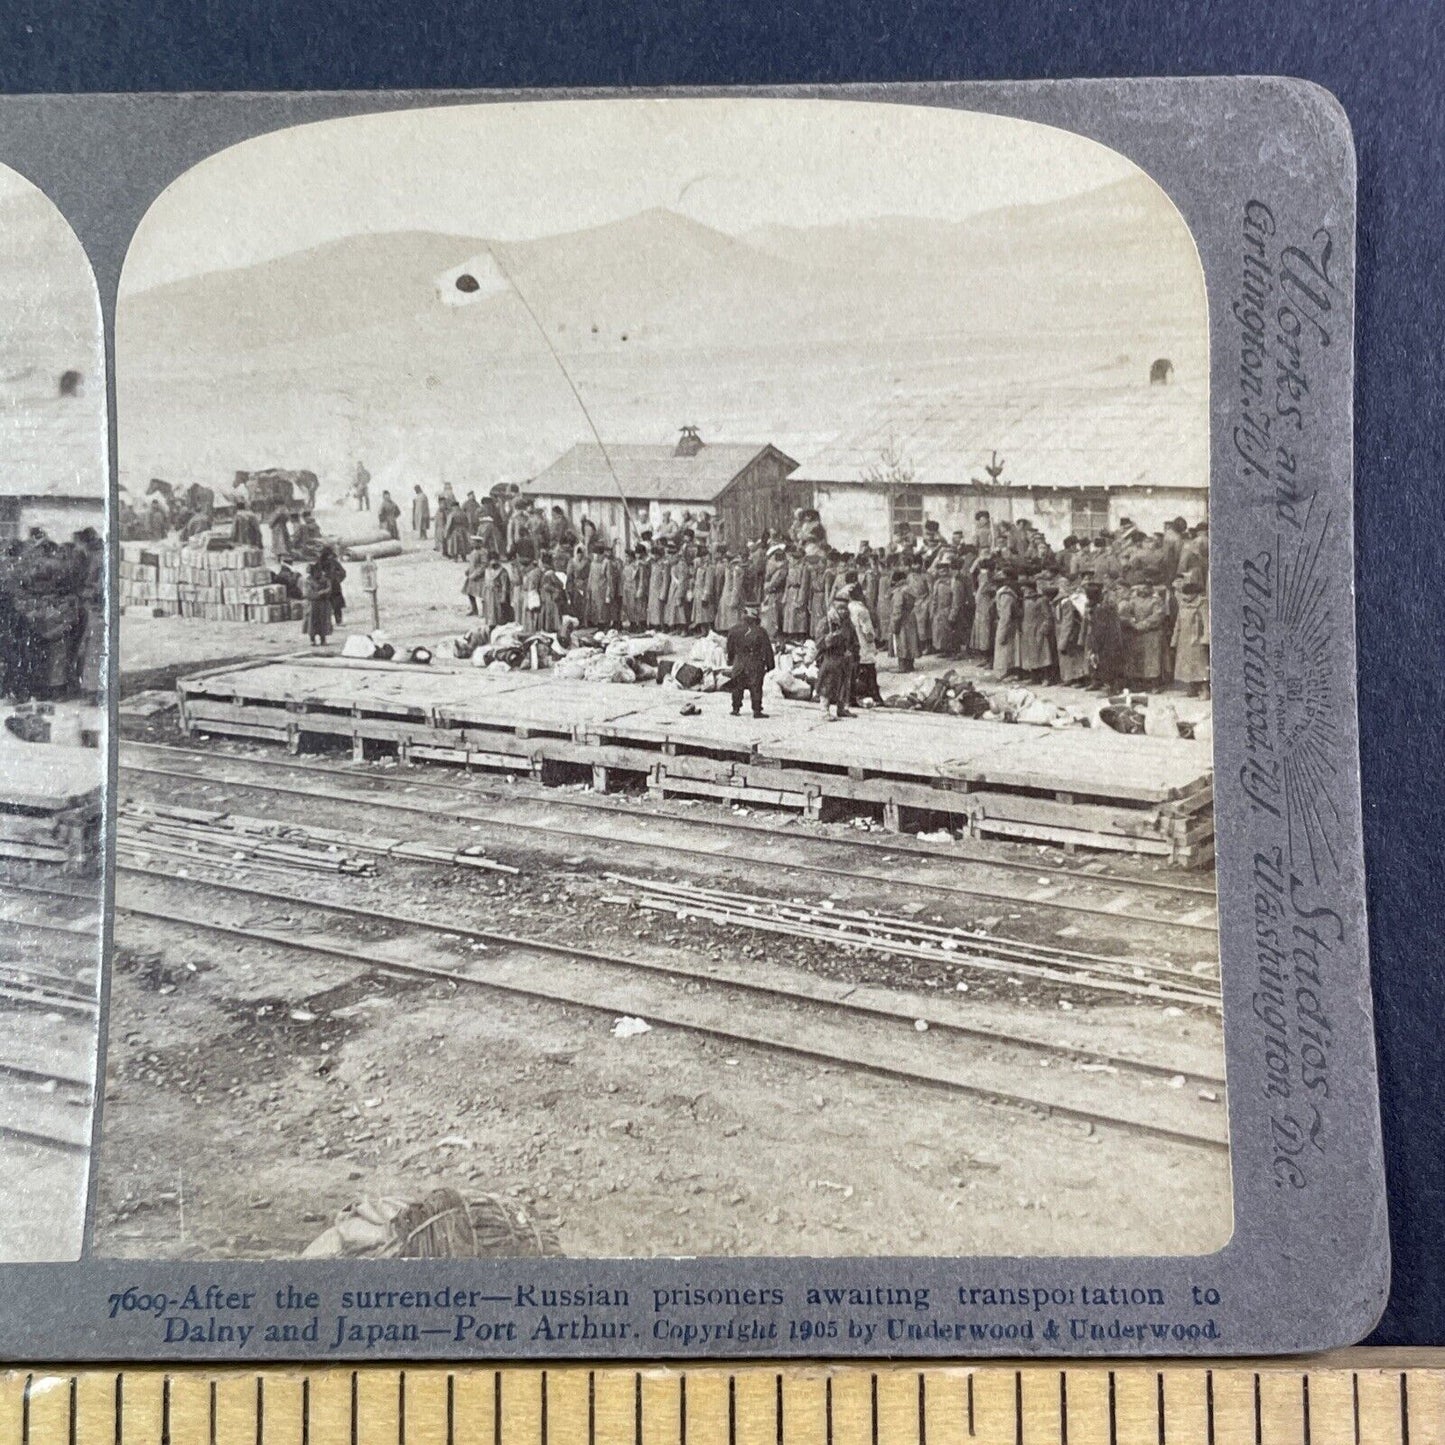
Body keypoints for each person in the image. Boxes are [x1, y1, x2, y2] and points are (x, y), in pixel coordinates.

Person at [726, 604, 775, 719]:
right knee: (756, 687)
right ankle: (757, 710)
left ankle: (735, 708)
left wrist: (730, 660)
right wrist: (770, 665)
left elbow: (730, 648)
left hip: (739, 662)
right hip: (755, 663)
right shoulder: (760, 631)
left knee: (737, 686)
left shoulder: (734, 630)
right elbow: (767, 650)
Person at [815, 596, 859, 720]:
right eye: (840, 608)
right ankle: (824, 711)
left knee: (845, 684)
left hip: (845, 659)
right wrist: (829, 639)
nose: (843, 611)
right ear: (833, 608)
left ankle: (842, 708)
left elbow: (854, 640)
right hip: (831, 658)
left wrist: (853, 651)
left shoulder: (848, 623)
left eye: (845, 608)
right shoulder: (825, 623)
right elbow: (818, 643)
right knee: (827, 684)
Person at [843, 587, 883, 706]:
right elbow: (868, 631)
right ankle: (874, 696)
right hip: (863, 643)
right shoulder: (862, 610)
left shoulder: (848, 607)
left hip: (852, 643)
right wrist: (873, 639)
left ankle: (851, 697)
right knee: (869, 670)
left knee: (854, 671)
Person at [1172, 580, 1210, 697]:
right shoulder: (1182, 604)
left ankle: (1205, 690)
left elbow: (1206, 621)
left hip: (1197, 638)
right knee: (1187, 665)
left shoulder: (1202, 603)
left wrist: (1206, 638)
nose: (1186, 596)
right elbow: (1178, 623)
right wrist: (1174, 640)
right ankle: (1192, 687)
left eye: (1189, 593)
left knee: (1200, 665)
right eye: (1185, 594)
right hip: (1184, 639)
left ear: (1195, 593)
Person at [888, 569, 919, 673]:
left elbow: (897, 610)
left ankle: (902, 667)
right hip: (910, 618)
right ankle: (910, 665)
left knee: (901, 643)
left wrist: (893, 625)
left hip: (902, 621)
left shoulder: (899, 592)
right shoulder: (910, 589)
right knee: (911, 642)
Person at [302, 561, 332, 644]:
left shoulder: (325, 579)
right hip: (312, 604)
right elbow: (307, 593)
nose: (318, 573)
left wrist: (323, 592)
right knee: (312, 622)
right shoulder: (308, 581)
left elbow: (329, 589)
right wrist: (320, 593)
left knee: (323, 621)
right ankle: (312, 639)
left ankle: (323, 639)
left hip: (323, 604)